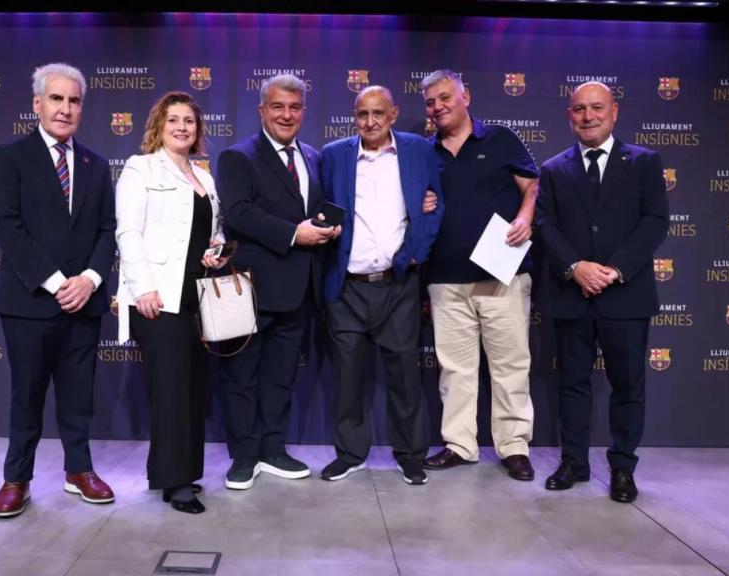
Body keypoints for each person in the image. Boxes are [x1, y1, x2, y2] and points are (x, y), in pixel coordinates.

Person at [0, 63, 116, 518]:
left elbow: (107, 230)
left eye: (74, 100)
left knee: (79, 395)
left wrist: (90, 280)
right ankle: (16, 478)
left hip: (85, 302)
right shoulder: (9, 157)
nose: (65, 109)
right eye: (56, 99)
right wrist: (60, 283)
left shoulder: (97, 165)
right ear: (37, 104)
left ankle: (79, 470)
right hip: (29, 303)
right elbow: (8, 227)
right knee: (26, 395)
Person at [535, 81, 669, 503]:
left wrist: (615, 270)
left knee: (628, 386)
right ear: (569, 116)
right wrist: (576, 267)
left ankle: (623, 467)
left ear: (614, 112)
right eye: (579, 109)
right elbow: (545, 224)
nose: (588, 116)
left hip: (625, 295)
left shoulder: (644, 162)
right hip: (572, 294)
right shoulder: (553, 169)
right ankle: (573, 462)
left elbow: (655, 221)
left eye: (596, 108)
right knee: (572, 384)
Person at [216, 74, 339, 490]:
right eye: (277, 107)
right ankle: (244, 457)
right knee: (241, 376)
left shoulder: (313, 156)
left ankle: (272, 449)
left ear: (304, 111)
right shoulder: (238, 157)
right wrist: (293, 234)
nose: (286, 115)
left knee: (280, 377)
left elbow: (313, 209)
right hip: (249, 288)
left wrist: (328, 227)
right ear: (261, 110)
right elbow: (238, 213)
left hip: (300, 289)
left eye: (294, 107)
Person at [319, 86, 443, 486]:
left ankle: (410, 455)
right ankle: (350, 454)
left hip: (398, 283)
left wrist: (414, 254)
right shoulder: (333, 154)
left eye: (378, 113)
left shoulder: (418, 150)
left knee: (405, 376)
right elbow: (321, 208)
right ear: (354, 116)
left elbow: (434, 204)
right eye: (362, 114)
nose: (370, 122)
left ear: (393, 114)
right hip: (347, 286)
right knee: (347, 377)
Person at [420, 69, 539, 482]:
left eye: (445, 97)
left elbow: (532, 187)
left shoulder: (500, 138)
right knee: (455, 370)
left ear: (465, 96)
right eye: (430, 102)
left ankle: (514, 447)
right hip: (445, 278)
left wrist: (525, 219)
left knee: (510, 366)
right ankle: (459, 444)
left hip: (502, 275)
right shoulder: (425, 152)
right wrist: (423, 203)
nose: (438, 107)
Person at [114, 91, 225, 515]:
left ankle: (183, 473)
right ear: (159, 125)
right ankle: (173, 481)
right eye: (173, 119)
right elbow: (128, 231)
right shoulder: (139, 168)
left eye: (189, 121)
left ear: (198, 129)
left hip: (196, 297)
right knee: (172, 390)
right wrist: (142, 287)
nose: (182, 127)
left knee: (192, 388)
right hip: (158, 299)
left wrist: (216, 251)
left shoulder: (204, 177)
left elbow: (211, 232)